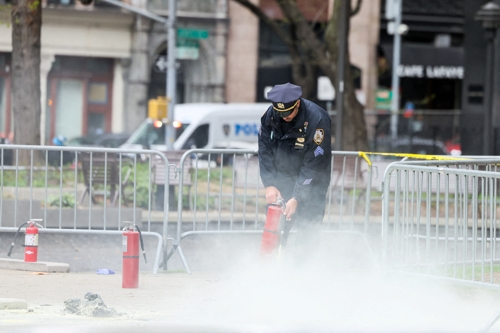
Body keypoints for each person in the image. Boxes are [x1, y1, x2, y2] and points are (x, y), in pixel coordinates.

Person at [258, 82, 332, 258]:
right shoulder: (270, 115)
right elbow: (264, 150)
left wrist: (297, 197)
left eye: (288, 112)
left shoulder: (317, 119)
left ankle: (301, 274)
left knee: (308, 229)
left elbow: (314, 162)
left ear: (297, 103)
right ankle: (269, 270)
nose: (284, 117)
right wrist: (269, 184)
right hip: (283, 178)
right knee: (275, 227)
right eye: (280, 113)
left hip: (313, 181)